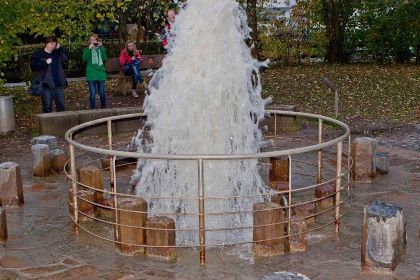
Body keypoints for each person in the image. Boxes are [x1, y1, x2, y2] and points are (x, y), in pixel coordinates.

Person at [30, 36, 69, 113]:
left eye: (54, 44)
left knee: (61, 106)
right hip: (46, 85)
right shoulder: (38, 54)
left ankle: (62, 123)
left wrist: (60, 48)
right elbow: (33, 66)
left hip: (58, 84)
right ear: (46, 43)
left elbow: (66, 58)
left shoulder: (56, 54)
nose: (53, 46)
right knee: (47, 107)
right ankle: (48, 124)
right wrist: (45, 62)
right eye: (51, 43)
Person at [82, 34, 108, 109]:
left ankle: (104, 107)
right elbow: (84, 58)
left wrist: (101, 47)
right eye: (92, 40)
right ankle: (92, 108)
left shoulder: (100, 49)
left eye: (95, 40)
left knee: (102, 92)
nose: (93, 41)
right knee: (92, 93)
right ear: (89, 41)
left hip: (101, 73)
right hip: (91, 74)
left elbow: (104, 58)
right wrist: (89, 49)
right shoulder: (87, 50)